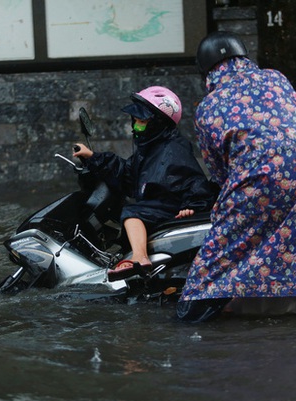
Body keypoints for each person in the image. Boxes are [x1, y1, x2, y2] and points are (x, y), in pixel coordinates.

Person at [176, 31, 296, 322]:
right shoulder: (278, 79)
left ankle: (192, 316)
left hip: (259, 180)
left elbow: (220, 174)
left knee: (207, 279)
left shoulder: (207, 108)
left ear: (206, 70)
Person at [73, 86, 216, 281]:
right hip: (159, 204)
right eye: (136, 120)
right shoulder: (149, 148)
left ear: (158, 123)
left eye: (143, 121)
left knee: (132, 213)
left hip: (170, 207)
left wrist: (191, 205)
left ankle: (140, 258)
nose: (137, 126)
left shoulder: (174, 149)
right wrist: (92, 157)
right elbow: (127, 174)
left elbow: (193, 179)